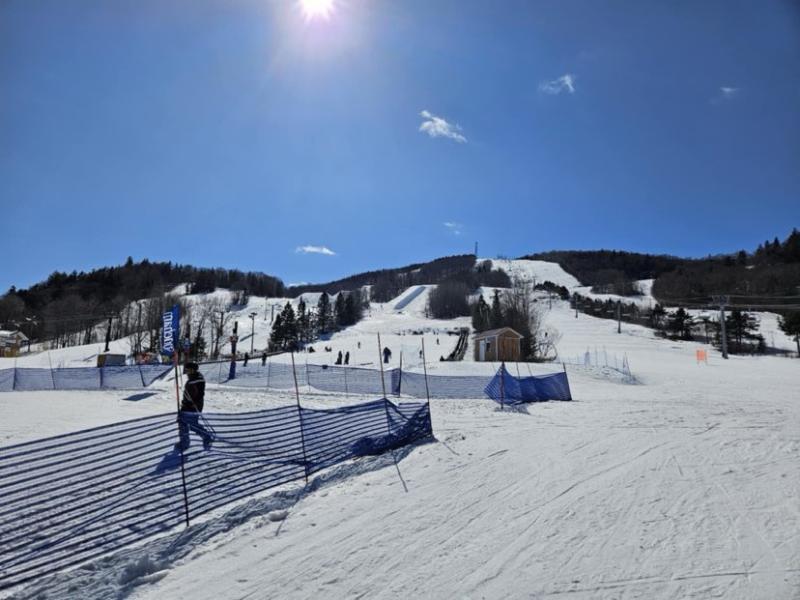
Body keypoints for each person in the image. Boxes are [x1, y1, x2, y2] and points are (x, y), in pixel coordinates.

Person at [176, 362, 214, 451]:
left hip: (193, 406)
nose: (186, 372)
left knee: (191, 424)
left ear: (193, 370)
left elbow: (200, 393)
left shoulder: (198, 379)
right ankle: (185, 442)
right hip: (187, 405)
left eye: (188, 370)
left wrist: (193, 403)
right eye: (186, 370)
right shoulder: (193, 378)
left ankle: (206, 436)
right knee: (183, 423)